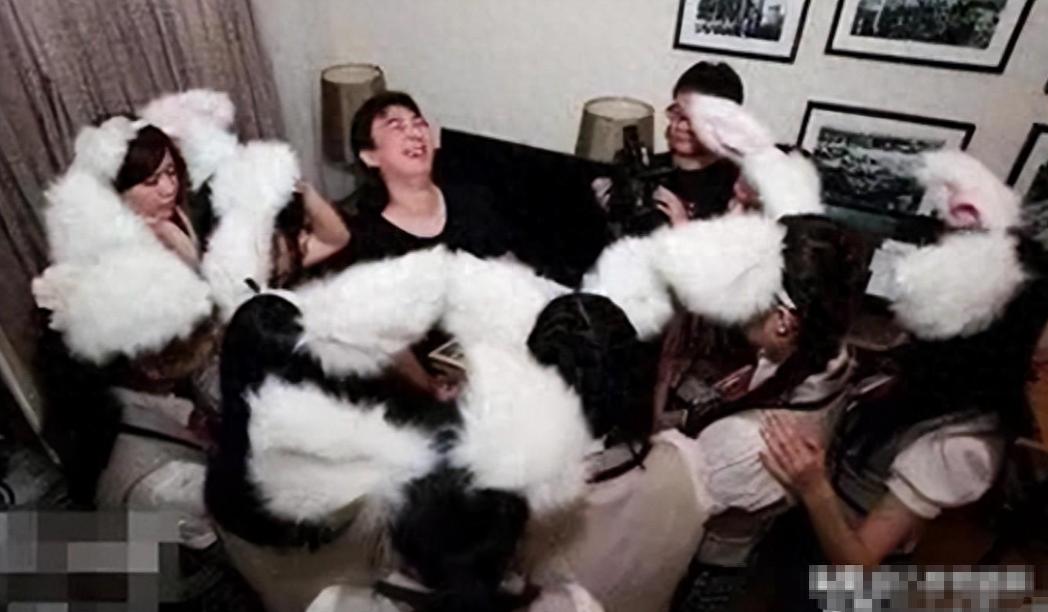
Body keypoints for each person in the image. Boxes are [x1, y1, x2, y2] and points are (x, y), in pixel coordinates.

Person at [524, 210, 866, 612]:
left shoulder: (741, 443)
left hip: (699, 564)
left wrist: (656, 376)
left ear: (783, 322)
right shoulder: (825, 354)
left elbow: (655, 497)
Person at [755, 151, 1048, 610]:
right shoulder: (925, 365)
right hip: (811, 525)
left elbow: (857, 568)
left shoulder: (962, 445)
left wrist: (814, 487)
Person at [593, 61, 745, 231]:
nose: (681, 126)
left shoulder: (739, 186)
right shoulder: (646, 170)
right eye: (677, 112)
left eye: (696, 117)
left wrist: (683, 227)